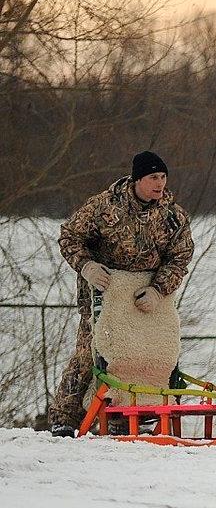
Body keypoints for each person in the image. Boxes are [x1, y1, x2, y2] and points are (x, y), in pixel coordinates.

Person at [48, 151, 195, 437]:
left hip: (147, 291)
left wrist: (158, 289)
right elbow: (70, 236)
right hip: (106, 289)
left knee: (151, 352)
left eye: (163, 177)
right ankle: (66, 416)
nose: (159, 184)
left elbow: (180, 257)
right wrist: (86, 265)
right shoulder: (105, 206)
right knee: (92, 351)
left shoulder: (172, 215)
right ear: (138, 179)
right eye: (153, 177)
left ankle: (135, 411)